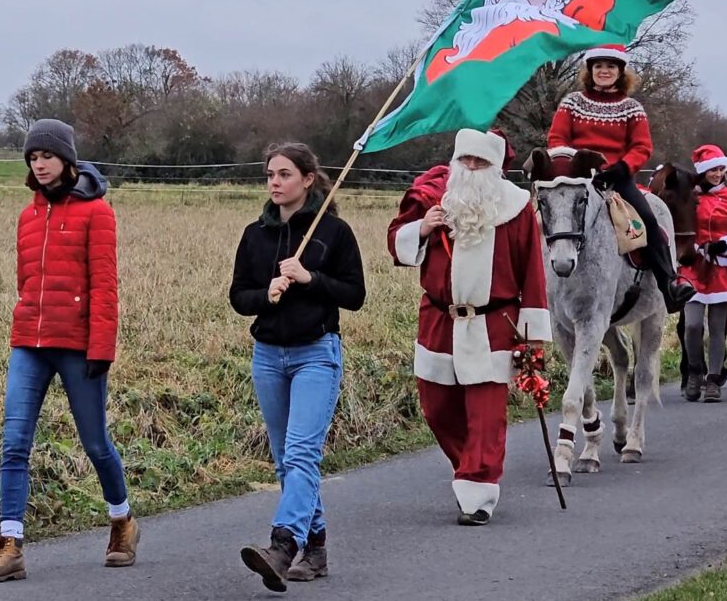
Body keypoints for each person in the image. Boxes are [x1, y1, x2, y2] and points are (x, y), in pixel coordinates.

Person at [0, 119, 138, 584]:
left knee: (95, 444)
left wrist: (101, 347)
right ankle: (10, 546)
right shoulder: (27, 217)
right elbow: (25, 282)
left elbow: (105, 285)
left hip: (78, 346)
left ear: (66, 159)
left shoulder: (96, 212)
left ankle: (122, 521)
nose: (38, 164)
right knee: (14, 445)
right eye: (32, 157)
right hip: (29, 343)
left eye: (46, 156)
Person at [387, 129, 551, 527]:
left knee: (485, 412)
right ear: (456, 163)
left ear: (497, 168)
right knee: (436, 406)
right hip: (440, 320)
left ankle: (478, 488)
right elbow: (396, 243)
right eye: (466, 161)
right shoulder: (433, 201)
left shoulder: (516, 208)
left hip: (494, 321)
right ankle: (470, 466)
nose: (472, 168)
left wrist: (530, 341)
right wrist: (423, 229)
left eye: (481, 162)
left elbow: (532, 274)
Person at [230, 142, 366, 592]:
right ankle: (319, 545)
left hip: (316, 353)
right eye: (270, 174)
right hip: (268, 355)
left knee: (302, 453)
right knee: (287, 461)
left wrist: (311, 279)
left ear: (308, 179)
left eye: (284, 174)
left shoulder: (334, 232)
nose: (274, 182)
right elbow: (238, 297)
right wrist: (264, 292)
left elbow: (354, 295)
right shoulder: (255, 234)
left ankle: (283, 545)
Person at [548, 44, 695, 312]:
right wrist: (570, 161)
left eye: (611, 66)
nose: (604, 71)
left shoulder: (632, 108)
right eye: (599, 66)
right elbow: (557, 138)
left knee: (648, 218)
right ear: (590, 71)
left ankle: (669, 283)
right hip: (578, 177)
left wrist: (623, 167)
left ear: (620, 72)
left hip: (617, 177)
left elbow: (642, 147)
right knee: (544, 216)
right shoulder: (571, 102)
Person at [679, 145, 727, 403]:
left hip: (721, 266)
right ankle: (695, 371)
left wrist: (724, 245)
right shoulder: (689, 196)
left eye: (720, 169)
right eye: (712, 170)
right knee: (692, 325)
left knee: (717, 328)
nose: (717, 174)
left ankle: (713, 379)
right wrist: (690, 248)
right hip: (693, 266)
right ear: (702, 172)